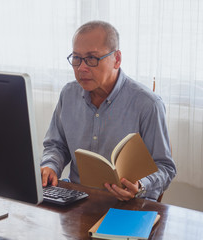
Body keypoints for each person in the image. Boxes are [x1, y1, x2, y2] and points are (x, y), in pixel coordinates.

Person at [40, 20, 176, 201]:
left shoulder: (147, 104)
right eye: (76, 58)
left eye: (91, 59)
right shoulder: (68, 94)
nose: (81, 68)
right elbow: (56, 145)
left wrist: (141, 185)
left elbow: (165, 167)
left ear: (117, 59)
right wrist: (50, 166)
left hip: (131, 205)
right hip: (78, 200)